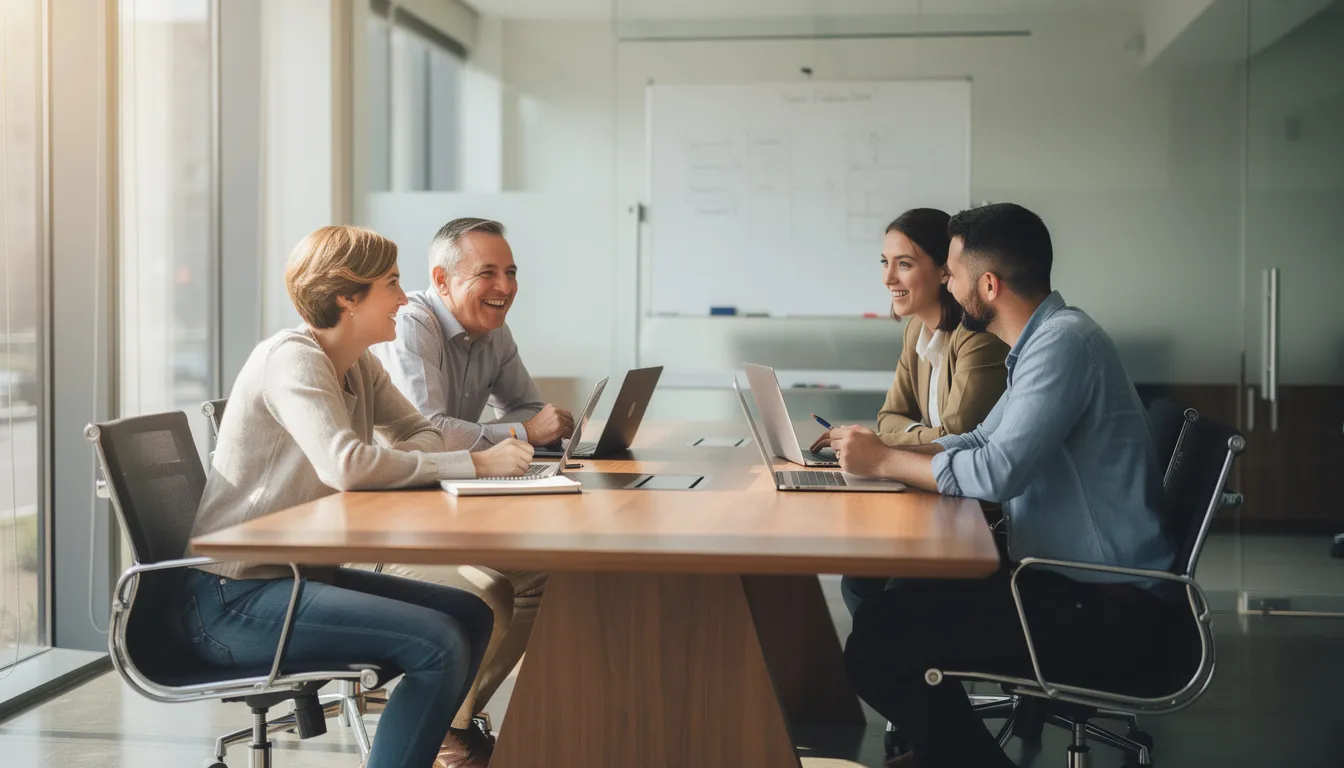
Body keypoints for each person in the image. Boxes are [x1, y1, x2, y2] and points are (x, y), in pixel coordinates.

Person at [830, 204, 1198, 768]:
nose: (948, 286)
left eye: (951, 274)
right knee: (890, 612)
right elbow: (978, 440)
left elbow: (998, 471)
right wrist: (884, 453)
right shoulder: (1044, 341)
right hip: (1072, 586)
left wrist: (885, 462)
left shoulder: (1063, 346)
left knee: (878, 647)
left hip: (1109, 608)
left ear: (989, 284)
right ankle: (944, 751)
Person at [182, 225, 534, 768]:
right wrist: (476, 462)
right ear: (348, 297)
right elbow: (346, 463)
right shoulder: (292, 359)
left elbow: (423, 433)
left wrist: (395, 461)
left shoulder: (359, 364)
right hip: (233, 598)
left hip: (297, 575)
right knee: (439, 641)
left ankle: (435, 746)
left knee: (471, 612)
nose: (402, 298)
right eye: (390, 284)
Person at [371, 217, 558, 765]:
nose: (506, 287)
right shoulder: (410, 325)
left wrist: (529, 425)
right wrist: (524, 433)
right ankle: (446, 731)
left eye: (511, 272)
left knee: (549, 574)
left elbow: (525, 404)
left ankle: (452, 722)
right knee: (491, 589)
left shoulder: (492, 327)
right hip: (391, 519)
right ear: (443, 279)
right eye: (488, 273)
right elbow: (426, 432)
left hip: (445, 506)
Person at [811, 208, 1008, 616]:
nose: (888, 278)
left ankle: (886, 662)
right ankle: (882, 665)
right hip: (936, 497)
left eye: (904, 264)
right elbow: (889, 416)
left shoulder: (978, 339)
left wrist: (887, 446)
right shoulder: (916, 330)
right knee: (860, 580)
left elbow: (959, 432)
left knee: (879, 592)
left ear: (943, 272)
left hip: (980, 520)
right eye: (885, 263)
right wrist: (913, 435)